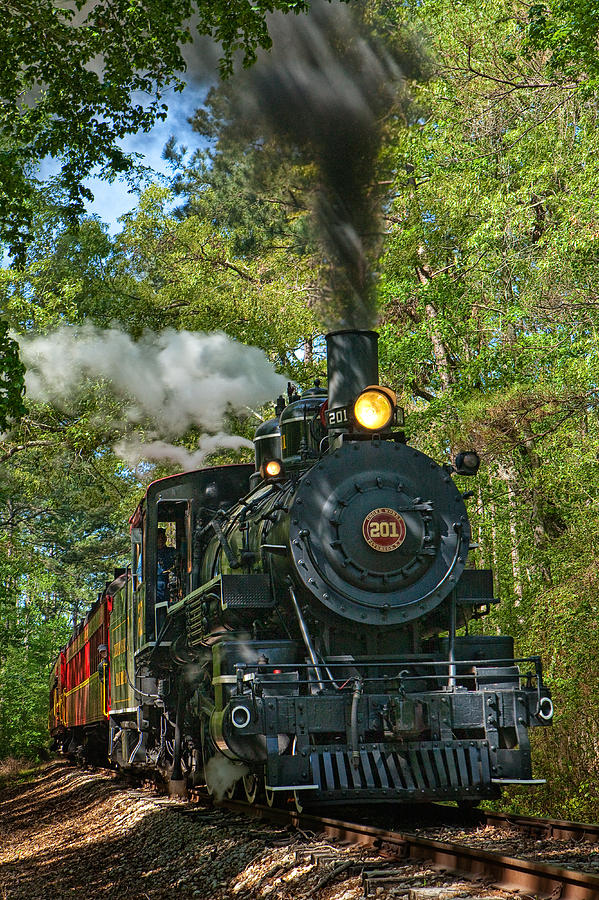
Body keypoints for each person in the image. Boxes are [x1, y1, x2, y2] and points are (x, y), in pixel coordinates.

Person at [156, 527, 177, 602]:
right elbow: (140, 572)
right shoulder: (148, 553)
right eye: (158, 537)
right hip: (156, 585)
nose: (161, 539)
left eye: (162, 537)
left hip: (171, 581)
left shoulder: (171, 551)